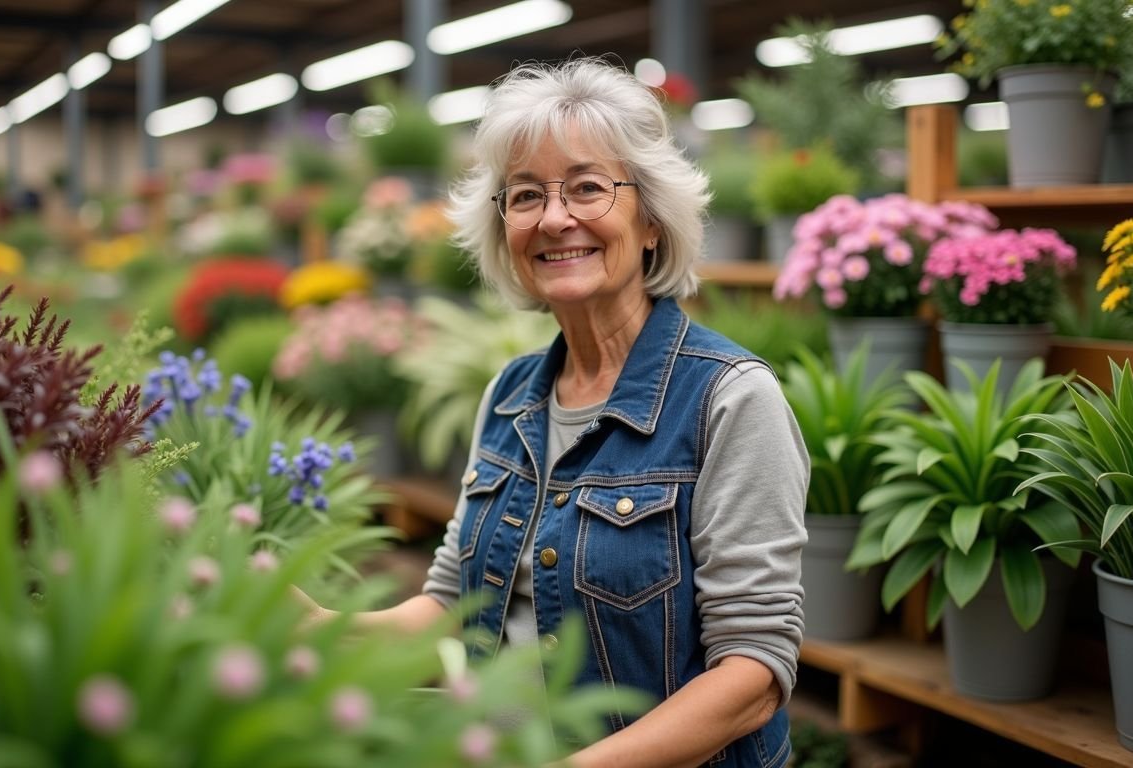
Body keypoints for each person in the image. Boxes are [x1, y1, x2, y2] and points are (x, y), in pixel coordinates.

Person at [304, 58, 809, 768]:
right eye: (525, 195)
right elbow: (455, 601)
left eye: (588, 188)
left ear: (652, 222)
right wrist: (322, 627)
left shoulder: (728, 400)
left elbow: (753, 674)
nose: (555, 217)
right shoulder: (510, 395)